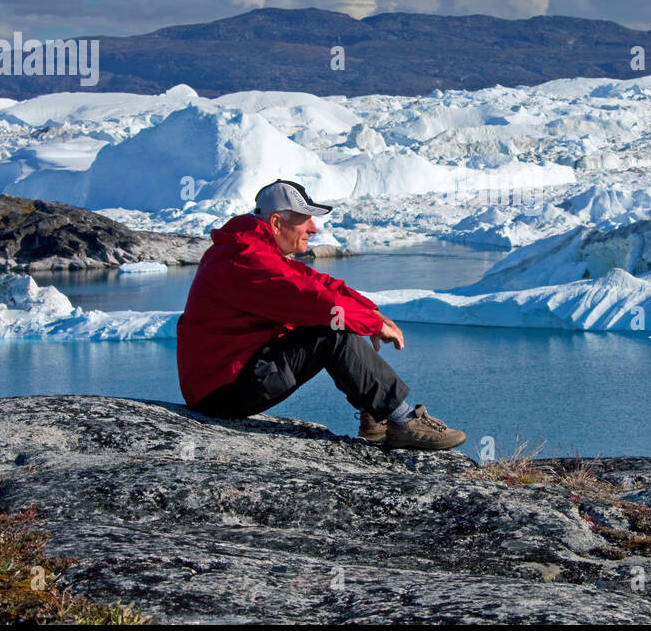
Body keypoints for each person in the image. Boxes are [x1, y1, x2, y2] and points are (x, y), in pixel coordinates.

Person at [176, 178, 466, 451]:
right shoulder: (246, 260)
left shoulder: (250, 249)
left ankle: (376, 415)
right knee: (331, 331)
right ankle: (402, 420)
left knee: (338, 320)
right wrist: (372, 324)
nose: (313, 229)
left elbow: (318, 283)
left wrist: (371, 312)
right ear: (277, 222)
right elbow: (318, 301)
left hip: (222, 381)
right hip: (222, 392)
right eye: (305, 220)